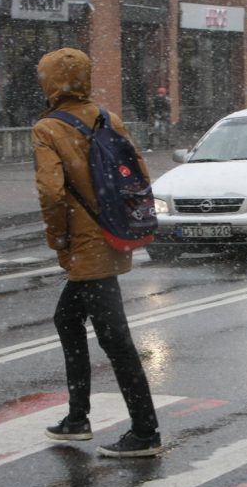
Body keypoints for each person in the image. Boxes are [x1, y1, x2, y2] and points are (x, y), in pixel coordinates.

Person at [31, 47, 162, 458]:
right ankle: (76, 418)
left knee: (115, 339)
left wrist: (59, 240)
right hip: (112, 233)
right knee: (67, 319)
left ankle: (145, 431)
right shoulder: (109, 119)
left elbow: (52, 194)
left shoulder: (47, 129)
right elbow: (139, 172)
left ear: (50, 81)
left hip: (86, 245)